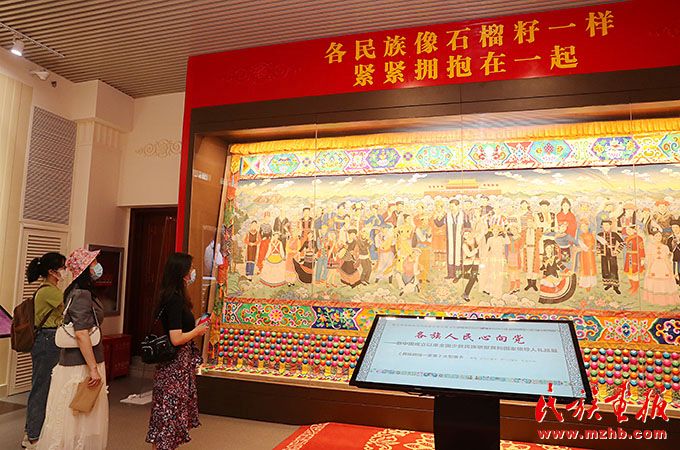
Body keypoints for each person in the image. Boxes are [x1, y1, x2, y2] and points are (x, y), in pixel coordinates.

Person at [38, 248, 108, 449]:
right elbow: (81, 333)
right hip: (81, 365)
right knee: (79, 417)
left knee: (76, 417)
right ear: (85, 268)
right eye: (93, 263)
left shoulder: (76, 291)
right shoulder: (81, 294)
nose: (97, 267)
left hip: (80, 362)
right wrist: (93, 368)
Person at [147, 253, 210, 450]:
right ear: (182, 273)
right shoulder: (174, 300)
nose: (193, 272)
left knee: (168, 418)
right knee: (169, 417)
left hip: (176, 366)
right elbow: (176, 338)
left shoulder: (173, 297)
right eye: (191, 269)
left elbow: (180, 328)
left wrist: (196, 325)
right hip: (174, 367)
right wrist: (197, 331)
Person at [22, 252, 66, 450]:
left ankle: (32, 431)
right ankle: (32, 436)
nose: (64, 271)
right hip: (47, 340)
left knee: (43, 386)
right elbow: (69, 307)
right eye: (62, 267)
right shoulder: (49, 291)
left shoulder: (49, 289)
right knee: (41, 388)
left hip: (48, 340)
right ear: (52, 271)